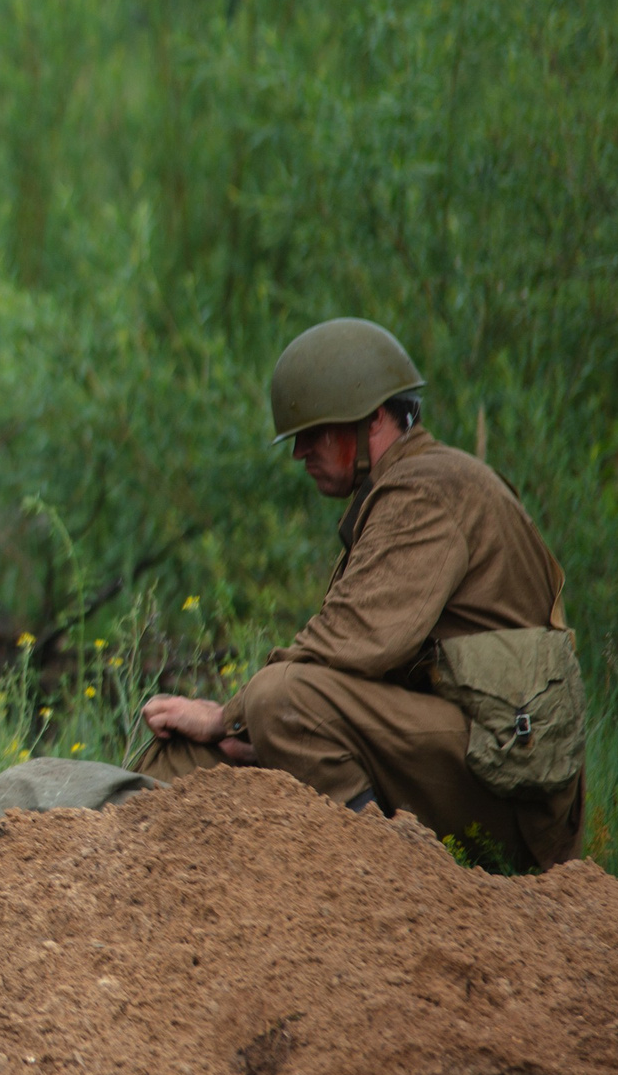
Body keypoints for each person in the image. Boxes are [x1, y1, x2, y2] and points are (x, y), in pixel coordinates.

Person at [138, 318, 583, 871]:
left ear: (373, 418)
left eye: (314, 432)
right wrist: (226, 729)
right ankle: (95, 854)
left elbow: (355, 642)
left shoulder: (428, 491)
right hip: (450, 748)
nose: (300, 452)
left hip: (508, 786)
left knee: (281, 701)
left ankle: (384, 880)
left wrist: (227, 716)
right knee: (186, 755)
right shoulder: (406, 488)